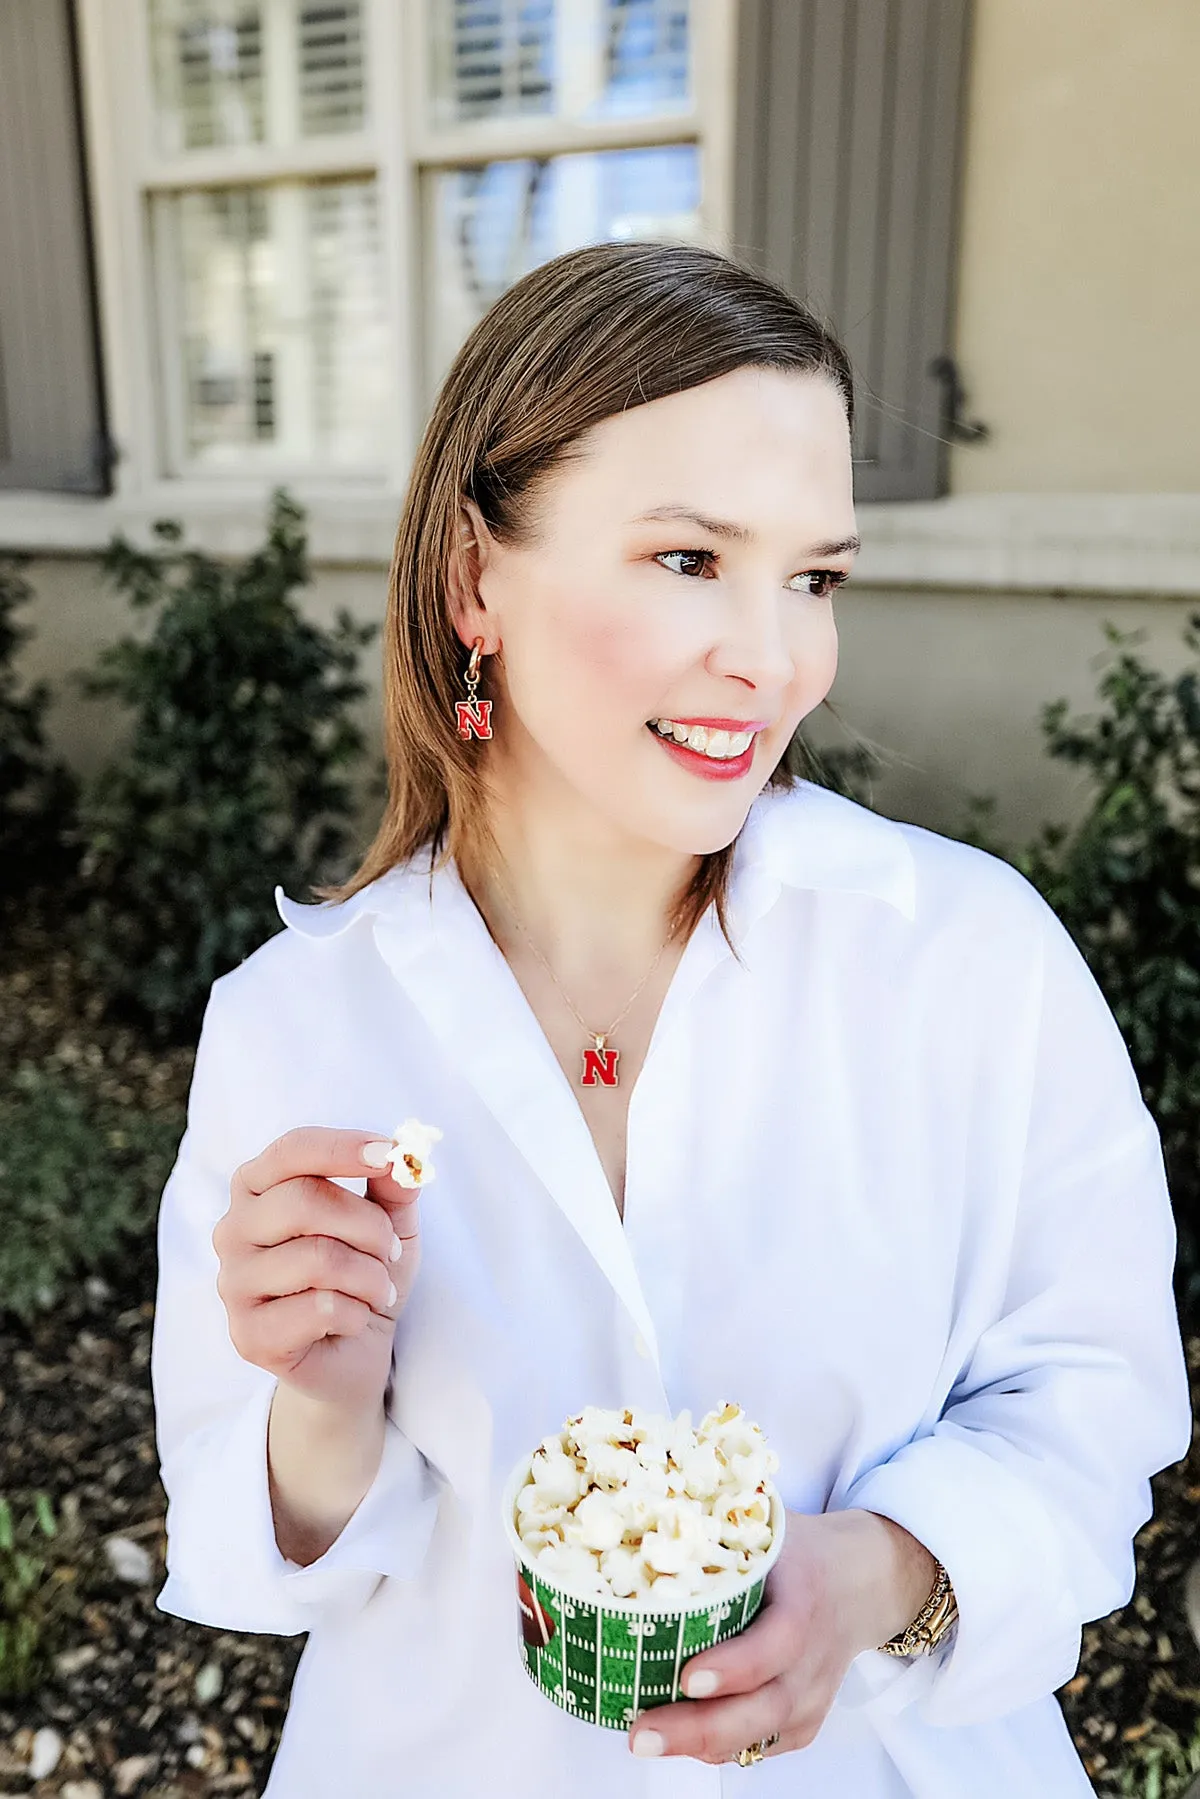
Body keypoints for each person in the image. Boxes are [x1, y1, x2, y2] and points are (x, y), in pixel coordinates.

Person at [150, 240, 1192, 1798]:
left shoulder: (972, 959)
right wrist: (323, 1393)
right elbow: (267, 1549)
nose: (773, 658)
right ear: (472, 580)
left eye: (815, 577)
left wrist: (886, 1570)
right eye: (690, 559)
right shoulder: (296, 1023)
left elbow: (1095, 1397)